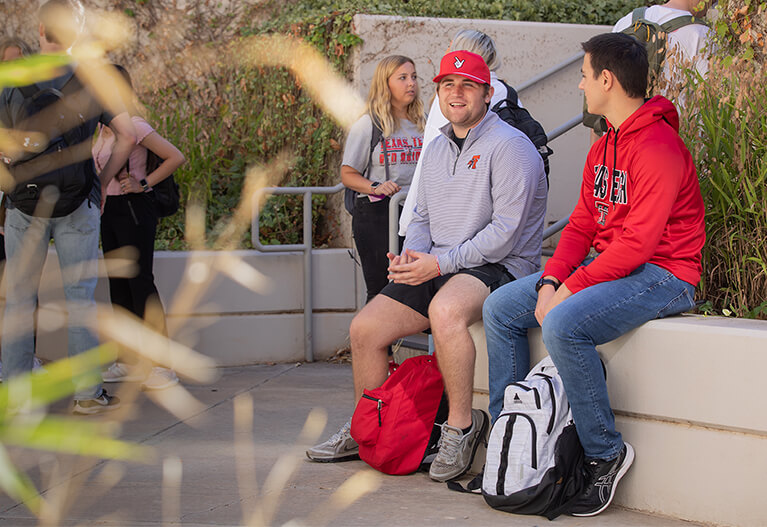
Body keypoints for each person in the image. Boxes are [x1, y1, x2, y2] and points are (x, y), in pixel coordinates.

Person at [483, 33, 705, 516]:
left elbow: (639, 246)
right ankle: (513, 437)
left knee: (563, 324)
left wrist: (569, 289)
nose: (580, 86)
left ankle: (605, 453)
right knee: (500, 307)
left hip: (665, 275)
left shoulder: (659, 147)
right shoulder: (604, 144)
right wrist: (548, 281)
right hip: (613, 267)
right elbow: (583, 223)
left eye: (584, 76)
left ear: (607, 79)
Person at [307, 50, 548, 483]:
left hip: (500, 266)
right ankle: (370, 425)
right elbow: (419, 216)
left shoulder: (512, 147)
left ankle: (459, 427)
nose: (456, 93)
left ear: (487, 93)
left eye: (468, 85)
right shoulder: (436, 148)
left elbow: (505, 234)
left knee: (445, 311)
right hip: (442, 262)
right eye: (447, 85)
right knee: (365, 329)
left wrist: (439, 261)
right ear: (439, 93)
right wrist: (413, 256)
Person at [0, 0, 136, 414]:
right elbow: (127, 136)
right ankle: (87, 395)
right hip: (79, 202)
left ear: (40, 30)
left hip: (24, 203)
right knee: (80, 297)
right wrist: (103, 180)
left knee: (19, 299)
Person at [93, 65, 185, 391]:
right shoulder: (103, 130)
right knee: (118, 285)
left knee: (141, 284)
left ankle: (163, 366)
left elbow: (175, 156)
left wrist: (143, 183)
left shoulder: (134, 124)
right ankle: (127, 361)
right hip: (109, 212)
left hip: (134, 210)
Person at [399, 29, 522, 236]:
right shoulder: (509, 93)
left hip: (455, 217)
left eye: (451, 46)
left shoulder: (452, 98)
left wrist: (409, 221)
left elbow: (432, 154)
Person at [342, 55, 425, 303]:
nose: (411, 83)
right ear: (385, 83)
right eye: (402, 78)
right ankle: (373, 342)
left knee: (418, 288)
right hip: (377, 214)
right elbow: (347, 173)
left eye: (413, 77)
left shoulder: (424, 121)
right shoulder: (368, 124)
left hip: (417, 214)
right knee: (379, 291)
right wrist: (376, 186)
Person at [586, 0, 714, 143]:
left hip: (615, 147)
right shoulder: (702, 35)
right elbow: (708, 108)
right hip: (665, 145)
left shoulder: (627, 21)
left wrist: (596, 158)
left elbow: (601, 92)